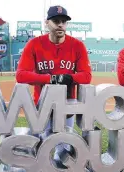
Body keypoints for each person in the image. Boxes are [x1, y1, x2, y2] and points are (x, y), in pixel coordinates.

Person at [16, 5, 92, 161]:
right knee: (34, 147)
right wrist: (51, 78)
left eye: (64, 21)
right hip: (41, 106)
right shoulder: (34, 44)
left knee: (63, 150)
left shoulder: (77, 46)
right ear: (47, 23)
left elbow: (87, 76)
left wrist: (70, 78)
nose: (60, 25)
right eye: (56, 21)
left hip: (67, 106)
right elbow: (21, 75)